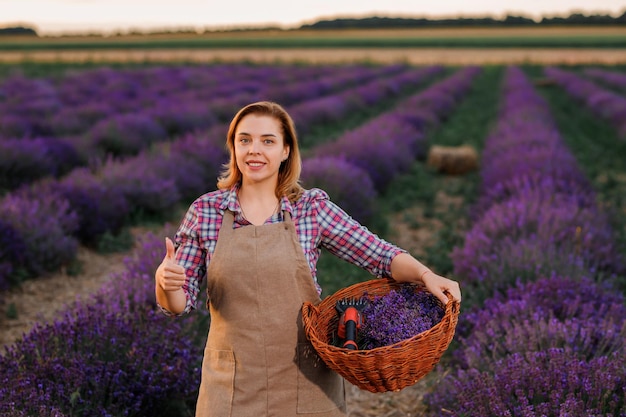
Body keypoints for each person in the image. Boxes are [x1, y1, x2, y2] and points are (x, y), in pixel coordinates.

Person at [155, 101, 462, 417]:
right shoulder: (206, 212)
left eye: (268, 141)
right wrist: (165, 282)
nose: (254, 150)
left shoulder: (310, 209)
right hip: (232, 386)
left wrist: (427, 276)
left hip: (305, 382)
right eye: (244, 139)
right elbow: (178, 304)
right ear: (233, 147)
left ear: (286, 150)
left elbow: (381, 256)